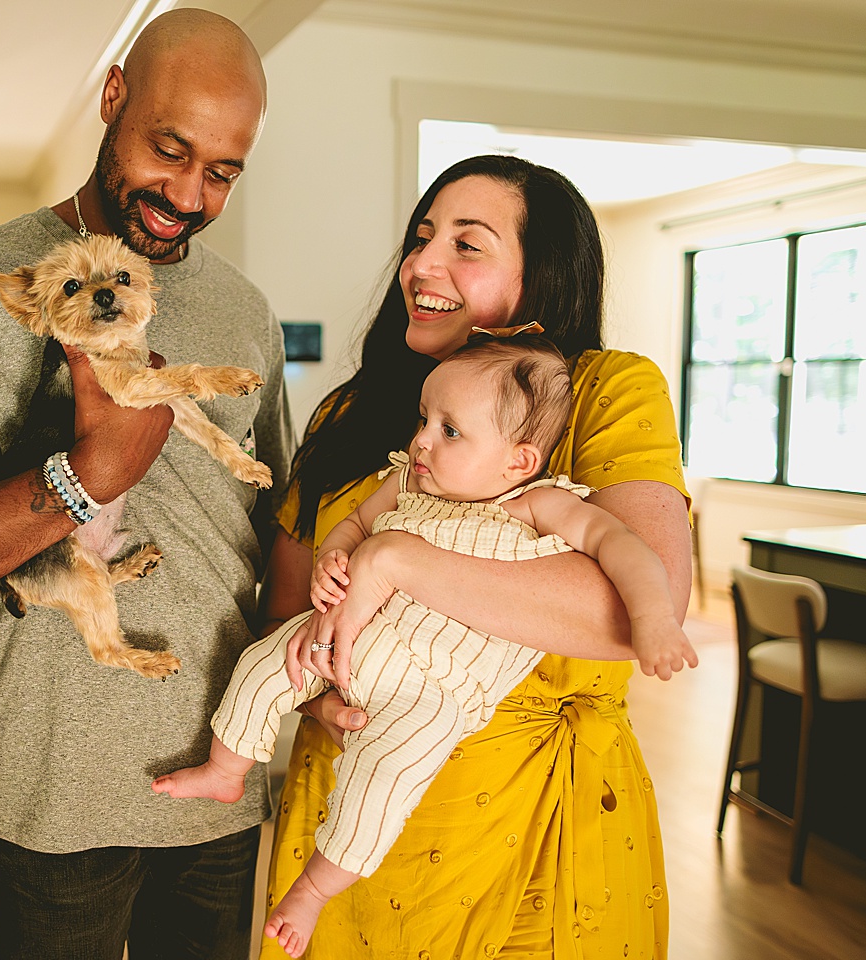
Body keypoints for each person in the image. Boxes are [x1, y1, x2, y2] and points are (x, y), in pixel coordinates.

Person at [0, 10, 294, 960]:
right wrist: (85, 477)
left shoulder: (247, 311)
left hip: (222, 779)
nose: (187, 195)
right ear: (113, 96)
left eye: (222, 171)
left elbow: (276, 524)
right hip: (48, 795)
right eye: (169, 151)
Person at [258, 155, 694, 959]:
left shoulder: (606, 393)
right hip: (355, 815)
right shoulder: (353, 414)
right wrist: (311, 695)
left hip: (539, 824)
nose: (421, 264)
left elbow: (637, 603)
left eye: (468, 245)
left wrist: (399, 560)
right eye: (422, 238)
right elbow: (284, 604)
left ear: (541, 279)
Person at [153, 335, 695, 956]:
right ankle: (227, 770)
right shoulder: (405, 484)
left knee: (383, 779)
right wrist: (334, 555)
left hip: (435, 693)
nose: (422, 441)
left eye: (450, 431)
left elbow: (625, 549)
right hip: (348, 651)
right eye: (423, 419)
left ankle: (312, 892)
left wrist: (653, 617)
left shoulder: (541, 506)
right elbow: (352, 525)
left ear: (518, 461)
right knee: (262, 662)